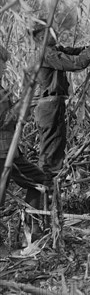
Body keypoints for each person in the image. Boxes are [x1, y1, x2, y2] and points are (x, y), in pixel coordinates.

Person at [31, 20, 90, 186]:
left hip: (53, 105)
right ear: (42, 37)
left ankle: (49, 194)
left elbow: (79, 53)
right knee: (50, 153)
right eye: (52, 32)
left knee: (55, 150)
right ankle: (42, 196)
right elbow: (78, 63)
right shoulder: (47, 54)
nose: (57, 34)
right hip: (49, 106)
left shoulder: (56, 51)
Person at [0, 45, 46, 213]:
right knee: (39, 180)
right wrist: (26, 102)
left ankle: (32, 231)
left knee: (39, 180)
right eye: (2, 63)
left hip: (9, 152)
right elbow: (4, 120)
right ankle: (32, 231)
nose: (5, 67)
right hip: (4, 154)